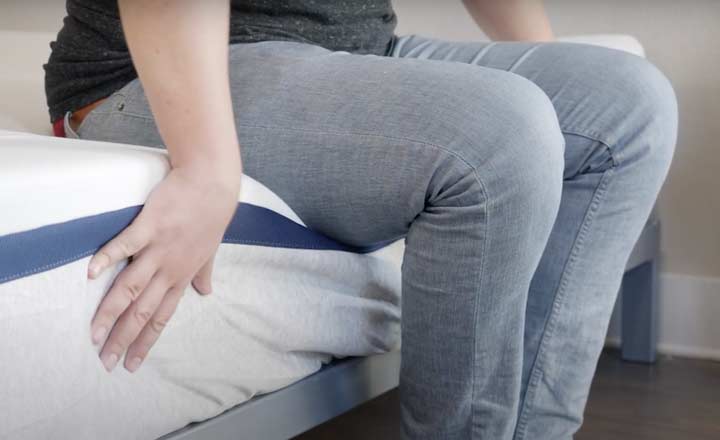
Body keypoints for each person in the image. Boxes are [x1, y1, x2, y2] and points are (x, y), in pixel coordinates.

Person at [43, 0, 677, 438]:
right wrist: (207, 166)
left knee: (629, 106)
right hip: (159, 72)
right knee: (501, 136)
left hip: (358, 50)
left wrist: (552, 115)